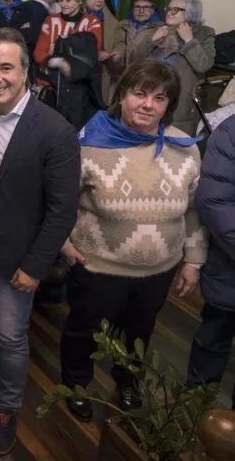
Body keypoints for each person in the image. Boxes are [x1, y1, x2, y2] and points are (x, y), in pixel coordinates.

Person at [0, 28, 80, 456]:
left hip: (16, 254)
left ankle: (7, 407)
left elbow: (62, 211)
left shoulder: (55, 131)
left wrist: (36, 266)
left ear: (26, 72)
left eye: (6, 67)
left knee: (9, 335)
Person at [60, 59, 205, 421]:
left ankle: (128, 382)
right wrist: (64, 244)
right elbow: (60, 200)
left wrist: (193, 259)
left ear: (169, 105)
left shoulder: (185, 147)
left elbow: (193, 210)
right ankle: (77, 384)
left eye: (159, 98)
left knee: (139, 333)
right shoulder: (89, 143)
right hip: (98, 268)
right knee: (84, 332)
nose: (148, 105)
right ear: (122, 94)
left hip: (159, 270)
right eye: (140, 94)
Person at [188, 114, 235, 410]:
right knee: (211, 347)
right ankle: (192, 415)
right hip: (229, 274)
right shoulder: (231, 132)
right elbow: (214, 201)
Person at [132, 0, 216, 135]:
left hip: (180, 104)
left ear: (191, 13)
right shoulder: (158, 29)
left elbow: (204, 65)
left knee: (175, 143)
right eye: (169, 8)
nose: (170, 12)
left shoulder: (204, 33)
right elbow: (134, 61)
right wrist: (152, 40)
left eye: (176, 9)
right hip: (151, 98)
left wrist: (189, 41)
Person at [33, 0, 104, 131]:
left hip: (79, 91)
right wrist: (58, 62)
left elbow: (90, 56)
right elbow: (39, 53)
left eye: (68, 0)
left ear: (80, 1)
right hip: (52, 87)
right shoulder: (50, 20)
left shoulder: (92, 22)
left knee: (74, 132)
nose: (63, 4)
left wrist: (57, 55)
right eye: (61, 0)